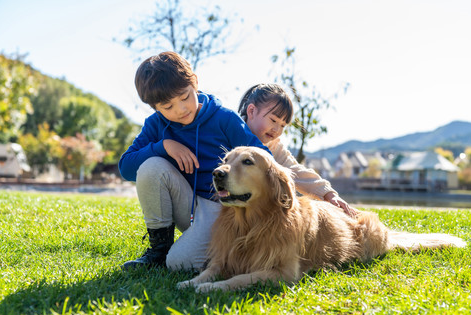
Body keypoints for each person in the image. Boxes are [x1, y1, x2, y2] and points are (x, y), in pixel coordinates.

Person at [119, 51, 269, 271]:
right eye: (168, 107)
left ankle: (229, 252)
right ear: (155, 108)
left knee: (180, 263)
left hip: (224, 209)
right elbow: (126, 167)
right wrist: (164, 147)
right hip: (187, 205)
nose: (180, 109)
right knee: (151, 166)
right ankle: (158, 251)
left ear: (195, 83)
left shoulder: (224, 119)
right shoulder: (155, 125)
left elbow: (263, 156)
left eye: (185, 97)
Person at [238, 83, 358, 216]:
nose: (277, 129)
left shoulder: (273, 147)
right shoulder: (230, 131)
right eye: (273, 120)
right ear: (251, 111)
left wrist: (328, 194)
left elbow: (297, 172)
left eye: (283, 125)